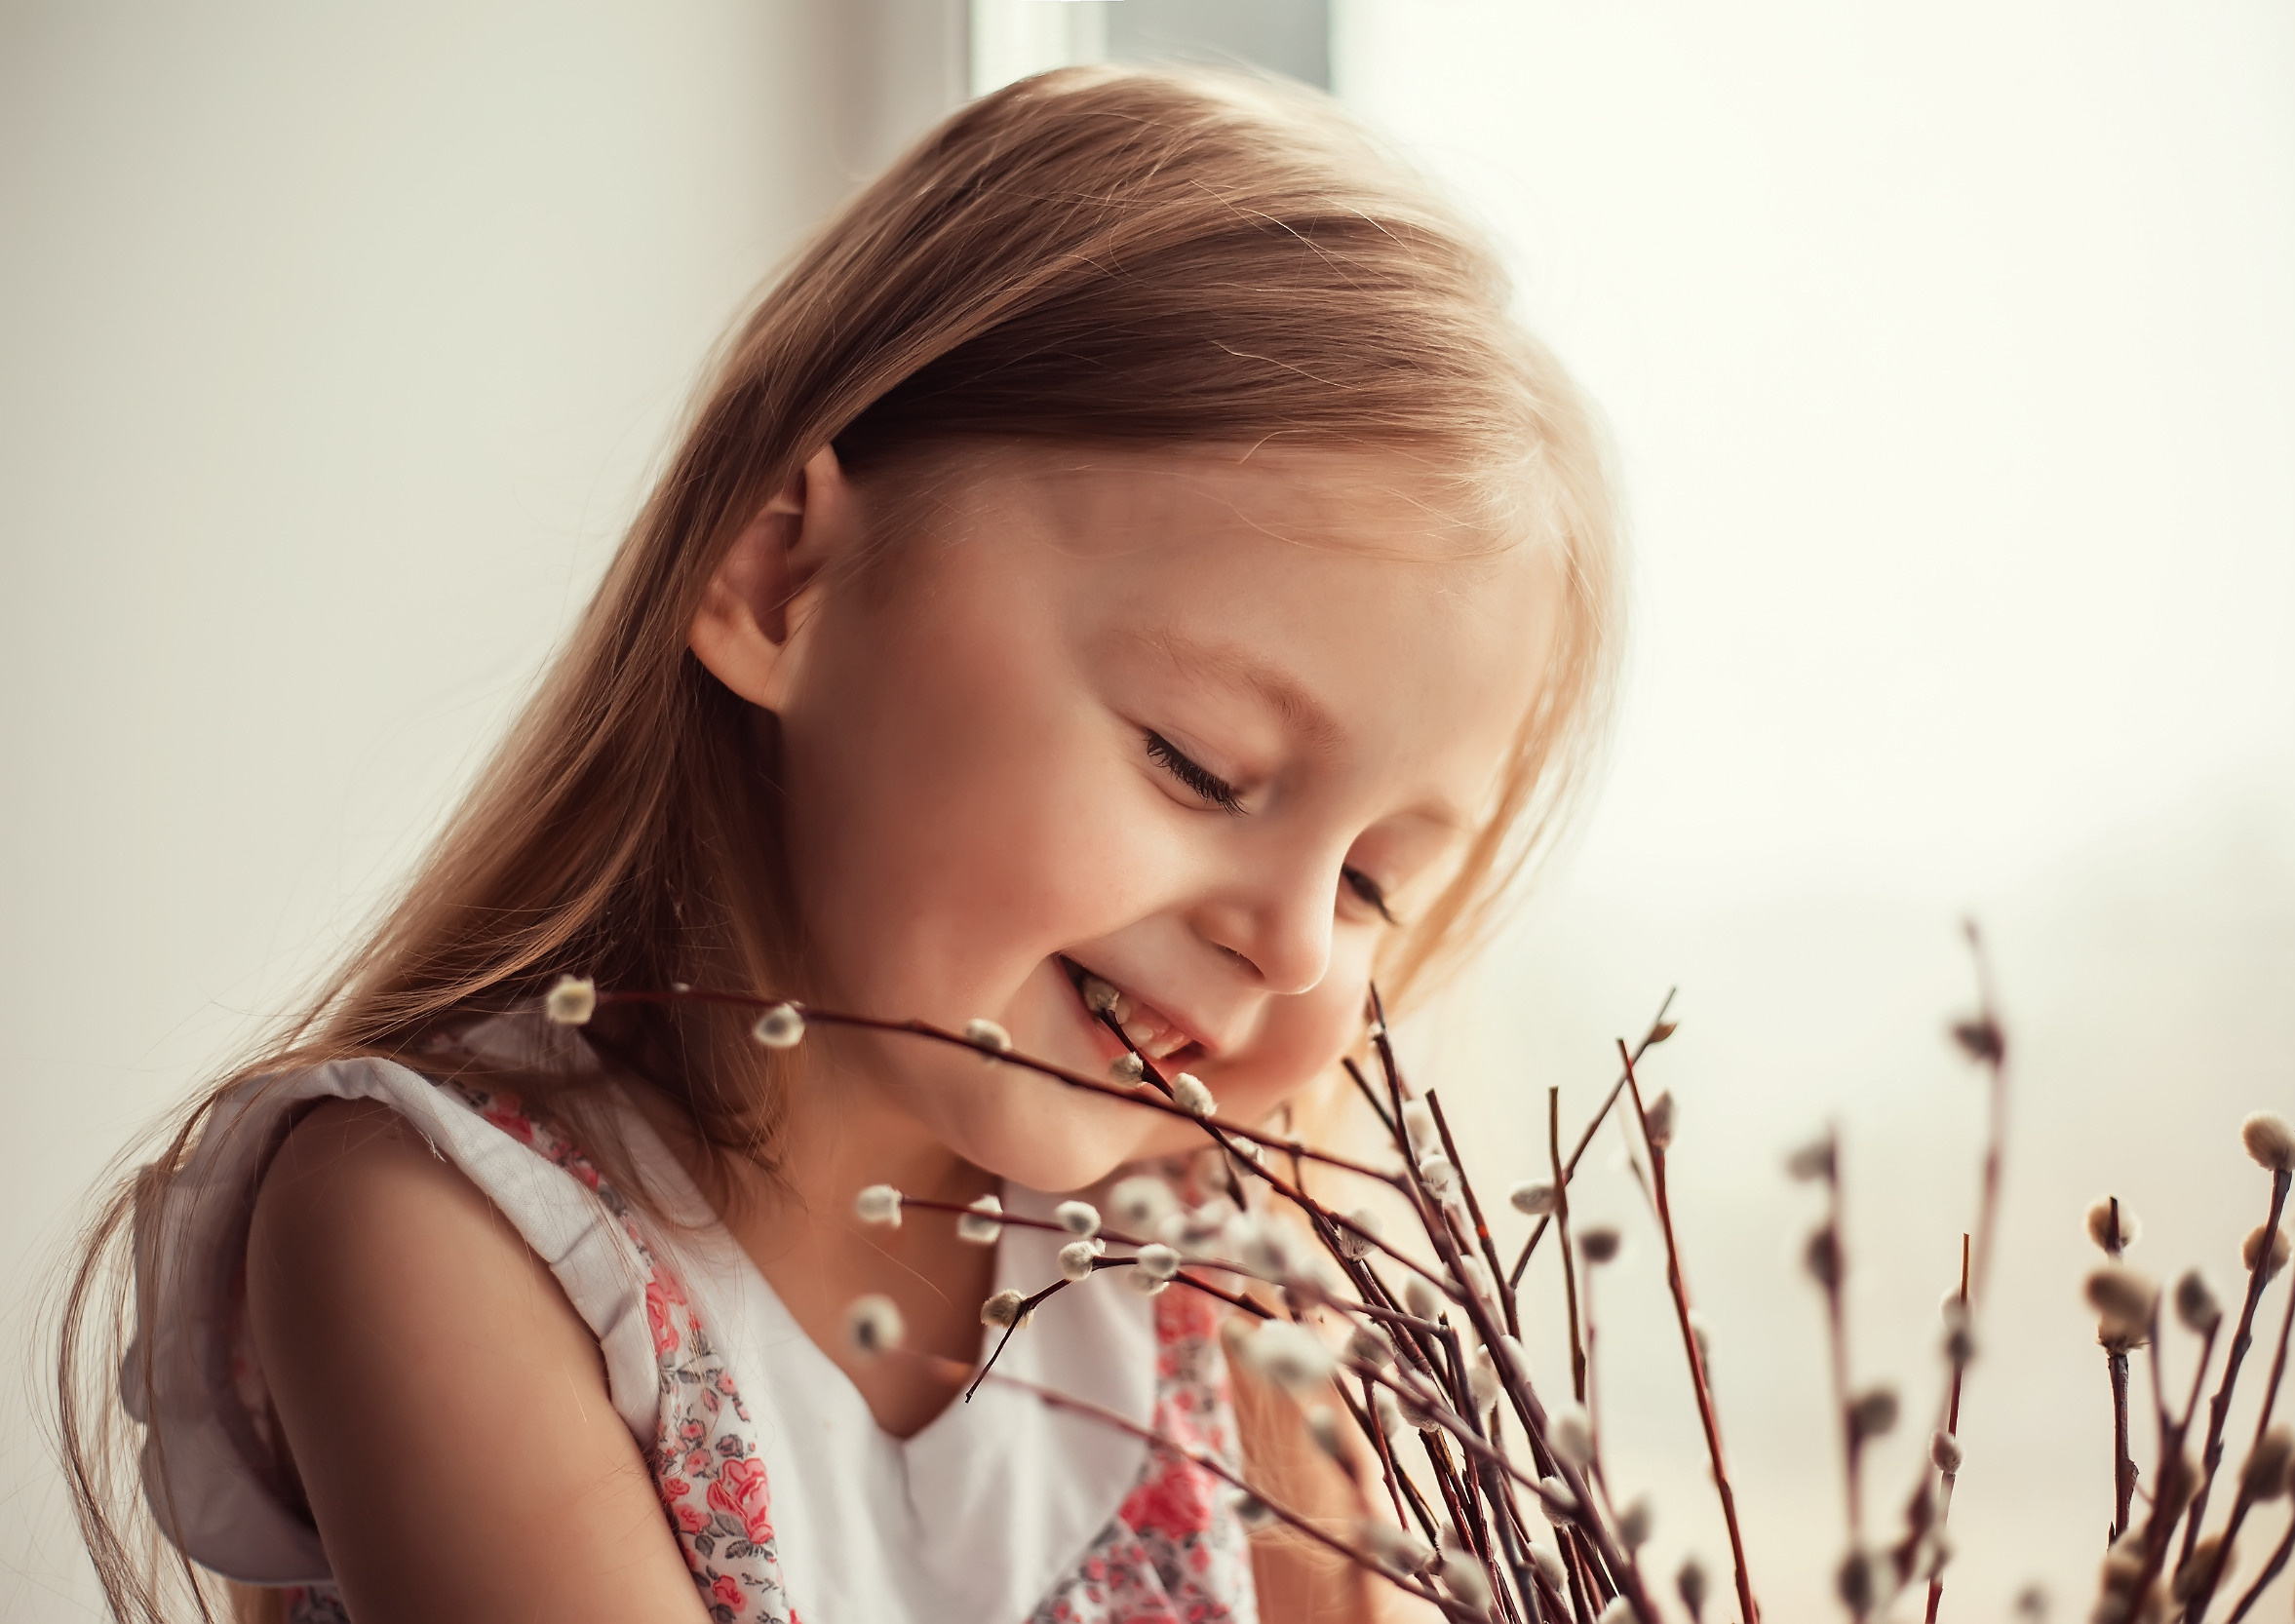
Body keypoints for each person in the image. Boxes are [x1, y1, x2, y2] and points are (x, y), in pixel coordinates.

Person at [58, 63, 1617, 1624]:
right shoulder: (430, 1230)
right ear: (777, 575)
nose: (1292, 944)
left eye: (1369, 884)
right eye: (1198, 764)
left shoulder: (1212, 1305)